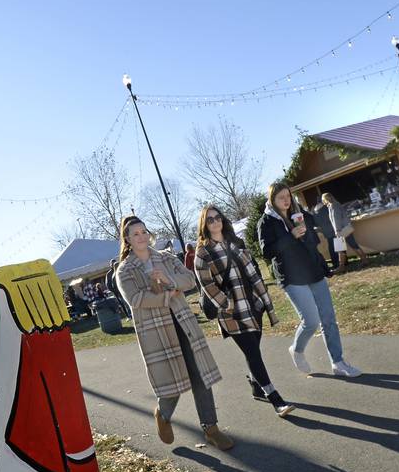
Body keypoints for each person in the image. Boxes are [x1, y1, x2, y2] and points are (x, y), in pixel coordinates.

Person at [115, 216, 234, 450]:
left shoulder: (166, 258)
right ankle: (163, 413)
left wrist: (169, 279)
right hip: (156, 331)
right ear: (127, 239)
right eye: (135, 234)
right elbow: (135, 299)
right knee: (172, 380)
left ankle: (211, 428)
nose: (141, 236)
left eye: (144, 231)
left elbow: (190, 279)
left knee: (199, 373)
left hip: (183, 322)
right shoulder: (124, 269)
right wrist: (165, 296)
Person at [195, 205, 295, 418]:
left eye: (218, 217)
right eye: (210, 220)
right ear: (204, 224)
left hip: (253, 304)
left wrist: (263, 299)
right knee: (252, 352)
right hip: (231, 312)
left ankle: (255, 384)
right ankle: (275, 398)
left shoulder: (236, 242)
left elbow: (254, 271)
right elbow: (207, 285)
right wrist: (228, 305)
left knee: (254, 350)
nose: (215, 222)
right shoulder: (203, 253)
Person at [258, 182, 362, 378]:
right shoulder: (266, 222)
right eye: (281, 197)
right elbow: (267, 251)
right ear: (273, 200)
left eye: (288, 196)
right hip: (292, 277)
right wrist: (291, 236)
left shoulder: (300, 213)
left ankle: (338, 362)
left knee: (329, 318)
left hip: (313, 271)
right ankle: (297, 349)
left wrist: (307, 232)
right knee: (311, 321)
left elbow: (314, 241)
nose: (286, 200)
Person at [322, 193, 368, 270]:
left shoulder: (333, 206)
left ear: (325, 199)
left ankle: (342, 266)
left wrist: (337, 231)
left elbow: (337, 219)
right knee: (348, 247)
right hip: (344, 228)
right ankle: (363, 261)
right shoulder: (334, 204)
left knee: (342, 248)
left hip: (342, 230)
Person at [312, 200, 340, 272]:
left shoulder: (315, 212)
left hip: (326, 232)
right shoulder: (326, 208)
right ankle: (341, 262)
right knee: (338, 246)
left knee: (331, 247)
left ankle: (335, 263)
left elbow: (316, 224)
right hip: (333, 229)